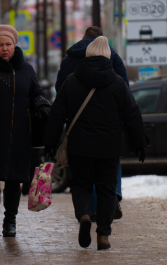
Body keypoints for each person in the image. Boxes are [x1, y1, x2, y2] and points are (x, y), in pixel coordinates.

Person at [44, 37, 148, 250]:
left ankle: (83, 216)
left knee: (81, 184)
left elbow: (57, 115)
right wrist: (140, 142)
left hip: (79, 146)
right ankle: (103, 235)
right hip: (109, 147)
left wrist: (50, 143)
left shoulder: (72, 81)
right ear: (108, 57)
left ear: (87, 55)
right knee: (107, 189)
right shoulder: (117, 82)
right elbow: (132, 113)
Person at [0, 24, 50, 238]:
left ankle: (10, 222)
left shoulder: (26, 69)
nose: (5, 48)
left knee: (15, 178)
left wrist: (41, 103)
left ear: (15, 46)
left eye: (8, 44)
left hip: (19, 134)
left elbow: (36, 93)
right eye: (0, 44)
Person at [55, 26, 127, 220]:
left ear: (83, 37)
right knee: (108, 167)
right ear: (102, 39)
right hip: (108, 124)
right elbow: (125, 91)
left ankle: (87, 211)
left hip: (78, 124)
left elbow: (60, 90)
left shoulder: (69, 59)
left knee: (82, 173)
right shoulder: (113, 57)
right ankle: (111, 201)